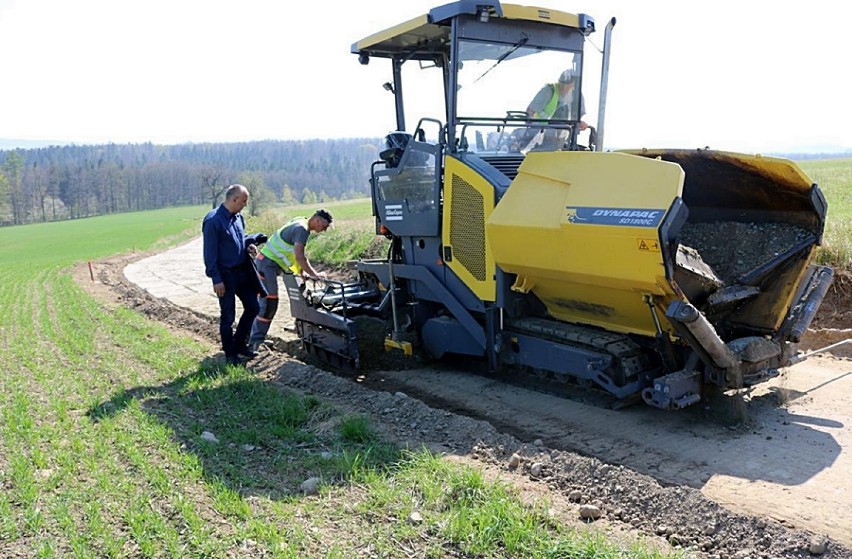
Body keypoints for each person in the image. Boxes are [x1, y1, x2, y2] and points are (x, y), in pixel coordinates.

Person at [248, 209, 333, 352]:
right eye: (324, 226)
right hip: (266, 265)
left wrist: (301, 273)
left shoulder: (301, 221)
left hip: (267, 264)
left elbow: (291, 255)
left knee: (266, 304)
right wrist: (315, 274)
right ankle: (253, 343)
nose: (324, 230)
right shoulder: (302, 229)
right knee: (269, 304)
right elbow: (300, 256)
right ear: (317, 220)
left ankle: (254, 338)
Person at [202, 184, 268, 365]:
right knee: (228, 316)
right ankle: (230, 354)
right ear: (234, 199)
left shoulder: (238, 217)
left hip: (242, 272)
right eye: (244, 201)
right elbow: (210, 254)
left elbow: (239, 241)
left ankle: (239, 344)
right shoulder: (213, 221)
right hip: (225, 276)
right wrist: (216, 279)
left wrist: (249, 244)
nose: (245, 205)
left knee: (253, 307)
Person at [523, 68, 588, 150]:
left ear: (574, 83)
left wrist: (581, 123)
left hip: (562, 137)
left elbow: (577, 119)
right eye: (562, 83)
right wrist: (532, 128)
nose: (564, 87)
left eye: (567, 84)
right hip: (539, 135)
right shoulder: (548, 91)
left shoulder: (577, 97)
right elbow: (529, 112)